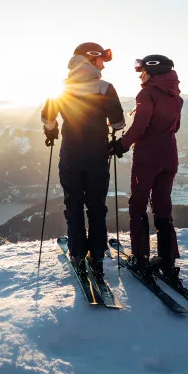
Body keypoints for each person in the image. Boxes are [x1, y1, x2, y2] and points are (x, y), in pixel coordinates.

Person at [42, 42, 125, 281]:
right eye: (101, 61)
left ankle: (78, 254)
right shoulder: (105, 87)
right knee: (97, 206)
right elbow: (118, 122)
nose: (103, 66)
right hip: (97, 156)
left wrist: (51, 130)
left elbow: (48, 118)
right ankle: (97, 254)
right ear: (91, 59)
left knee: (74, 205)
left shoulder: (62, 88)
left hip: (70, 155)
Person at [108, 55, 184, 285]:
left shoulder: (147, 94)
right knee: (163, 208)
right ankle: (167, 261)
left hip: (147, 158)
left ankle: (140, 259)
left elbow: (139, 127)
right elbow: (176, 127)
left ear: (153, 71)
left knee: (138, 205)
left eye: (143, 72)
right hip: (169, 156)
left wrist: (119, 145)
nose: (141, 76)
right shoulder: (176, 96)